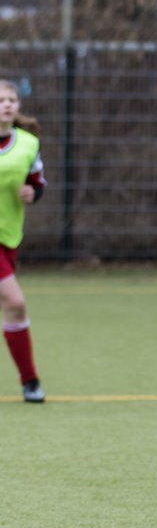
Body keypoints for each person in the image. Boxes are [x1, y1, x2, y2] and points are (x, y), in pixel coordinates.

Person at [0, 80, 48, 403]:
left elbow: (37, 182)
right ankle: (30, 381)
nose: (6, 104)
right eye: (0, 99)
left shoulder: (28, 143)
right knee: (15, 302)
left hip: (8, 235)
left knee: (13, 310)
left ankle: (29, 380)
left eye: (11, 99)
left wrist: (33, 193)